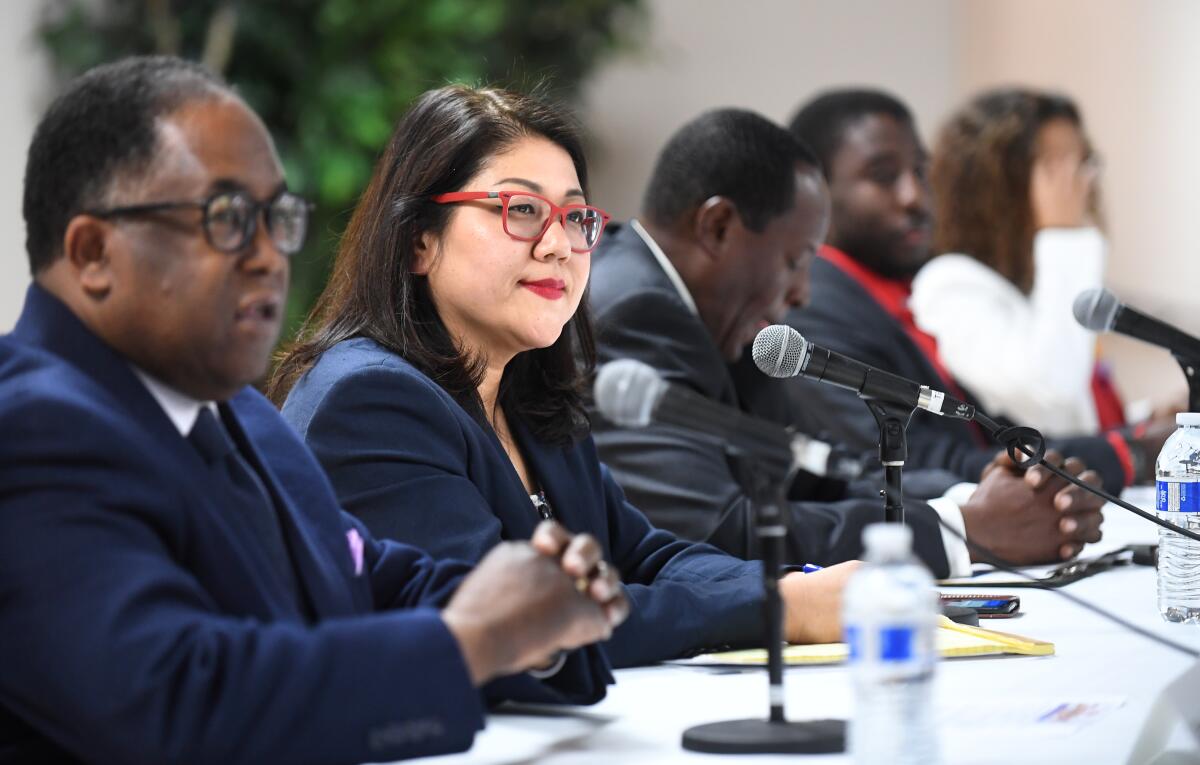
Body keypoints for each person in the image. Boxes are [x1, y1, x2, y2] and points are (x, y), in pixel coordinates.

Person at [0, 56, 628, 764]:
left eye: (276, 219)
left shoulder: (244, 414)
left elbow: (370, 575)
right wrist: (472, 639)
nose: (269, 256)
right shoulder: (30, 427)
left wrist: (533, 607)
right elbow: (175, 696)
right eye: (228, 219)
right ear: (91, 252)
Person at [272, 85, 857, 668]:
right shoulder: (370, 403)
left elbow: (647, 556)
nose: (560, 246)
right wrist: (779, 608)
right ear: (419, 240)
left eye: (575, 217)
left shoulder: (530, 397)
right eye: (522, 211)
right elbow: (517, 628)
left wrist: (801, 586)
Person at [588, 107, 1105, 578]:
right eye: (794, 261)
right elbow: (714, 530)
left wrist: (987, 496)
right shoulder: (632, 311)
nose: (801, 293)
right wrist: (963, 530)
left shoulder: (709, 313)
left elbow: (811, 479)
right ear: (719, 226)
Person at [779, 88, 1164, 494]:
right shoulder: (812, 306)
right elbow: (915, 463)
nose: (915, 196)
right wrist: (1129, 453)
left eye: (921, 172)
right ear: (814, 189)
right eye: (883, 176)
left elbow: (998, 424)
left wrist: (1140, 426)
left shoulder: (902, 281)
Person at [911, 88, 1126, 438]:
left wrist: (1148, 419)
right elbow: (1051, 388)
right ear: (989, 184)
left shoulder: (1030, 279)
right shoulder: (949, 285)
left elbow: (1075, 421)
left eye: (1081, 162)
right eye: (1053, 167)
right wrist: (1062, 235)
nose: (1074, 184)